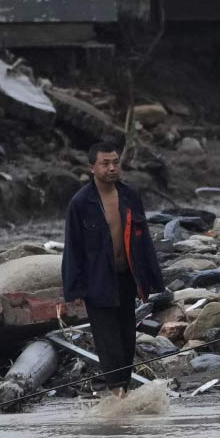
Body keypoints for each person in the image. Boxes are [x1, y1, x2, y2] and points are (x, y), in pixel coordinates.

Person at [61, 146, 163, 393]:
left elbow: (143, 239)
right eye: (105, 163)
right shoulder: (81, 203)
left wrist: (153, 278)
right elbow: (72, 247)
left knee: (127, 336)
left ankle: (123, 392)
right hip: (97, 281)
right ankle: (117, 392)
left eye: (115, 163)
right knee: (108, 340)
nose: (112, 168)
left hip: (127, 277)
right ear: (92, 168)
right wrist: (72, 290)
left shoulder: (130, 196)